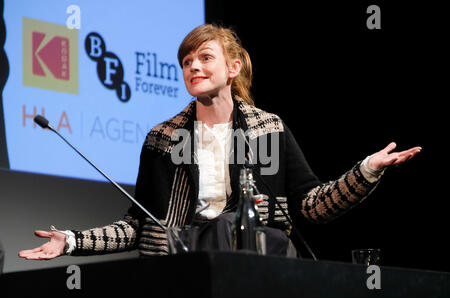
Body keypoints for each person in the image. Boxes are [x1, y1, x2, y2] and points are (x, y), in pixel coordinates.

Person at [18, 24, 421, 261]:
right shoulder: (163, 138)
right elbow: (141, 225)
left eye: (204, 57)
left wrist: (366, 170)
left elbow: (310, 206)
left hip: (257, 267)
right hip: (182, 270)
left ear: (233, 67)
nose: (193, 66)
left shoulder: (268, 128)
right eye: (187, 61)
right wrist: (71, 241)